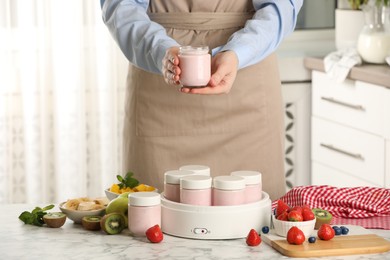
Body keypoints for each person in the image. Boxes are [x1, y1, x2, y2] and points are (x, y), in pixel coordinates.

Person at [101, 0, 303, 201]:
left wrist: (238, 51)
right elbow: (121, 7)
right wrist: (160, 49)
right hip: (160, 77)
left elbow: (282, 7)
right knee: (152, 219)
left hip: (246, 77)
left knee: (255, 222)